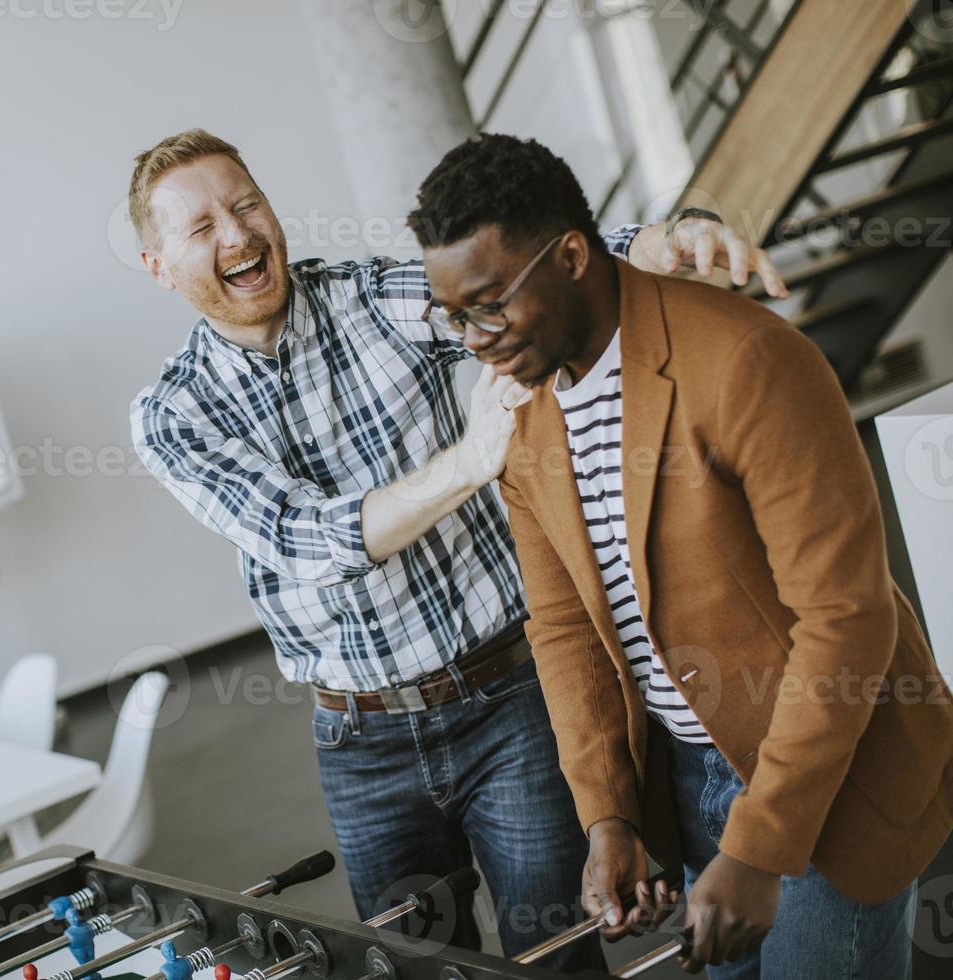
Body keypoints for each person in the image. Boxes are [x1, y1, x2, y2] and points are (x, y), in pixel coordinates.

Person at [127, 128, 787, 967]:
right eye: (201, 227)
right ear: (158, 266)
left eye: (246, 203)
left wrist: (668, 236)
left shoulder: (364, 297)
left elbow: (513, 282)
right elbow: (307, 538)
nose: (237, 234)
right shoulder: (169, 415)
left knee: (556, 956)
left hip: (509, 697)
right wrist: (472, 461)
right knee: (414, 966)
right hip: (360, 742)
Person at [410, 133, 953, 977]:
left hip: (824, 779)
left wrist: (763, 845)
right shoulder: (518, 418)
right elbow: (563, 629)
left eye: (488, 304)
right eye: (452, 316)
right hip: (688, 778)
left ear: (573, 255)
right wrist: (609, 818)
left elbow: (846, 618)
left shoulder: (747, 361)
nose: (474, 339)